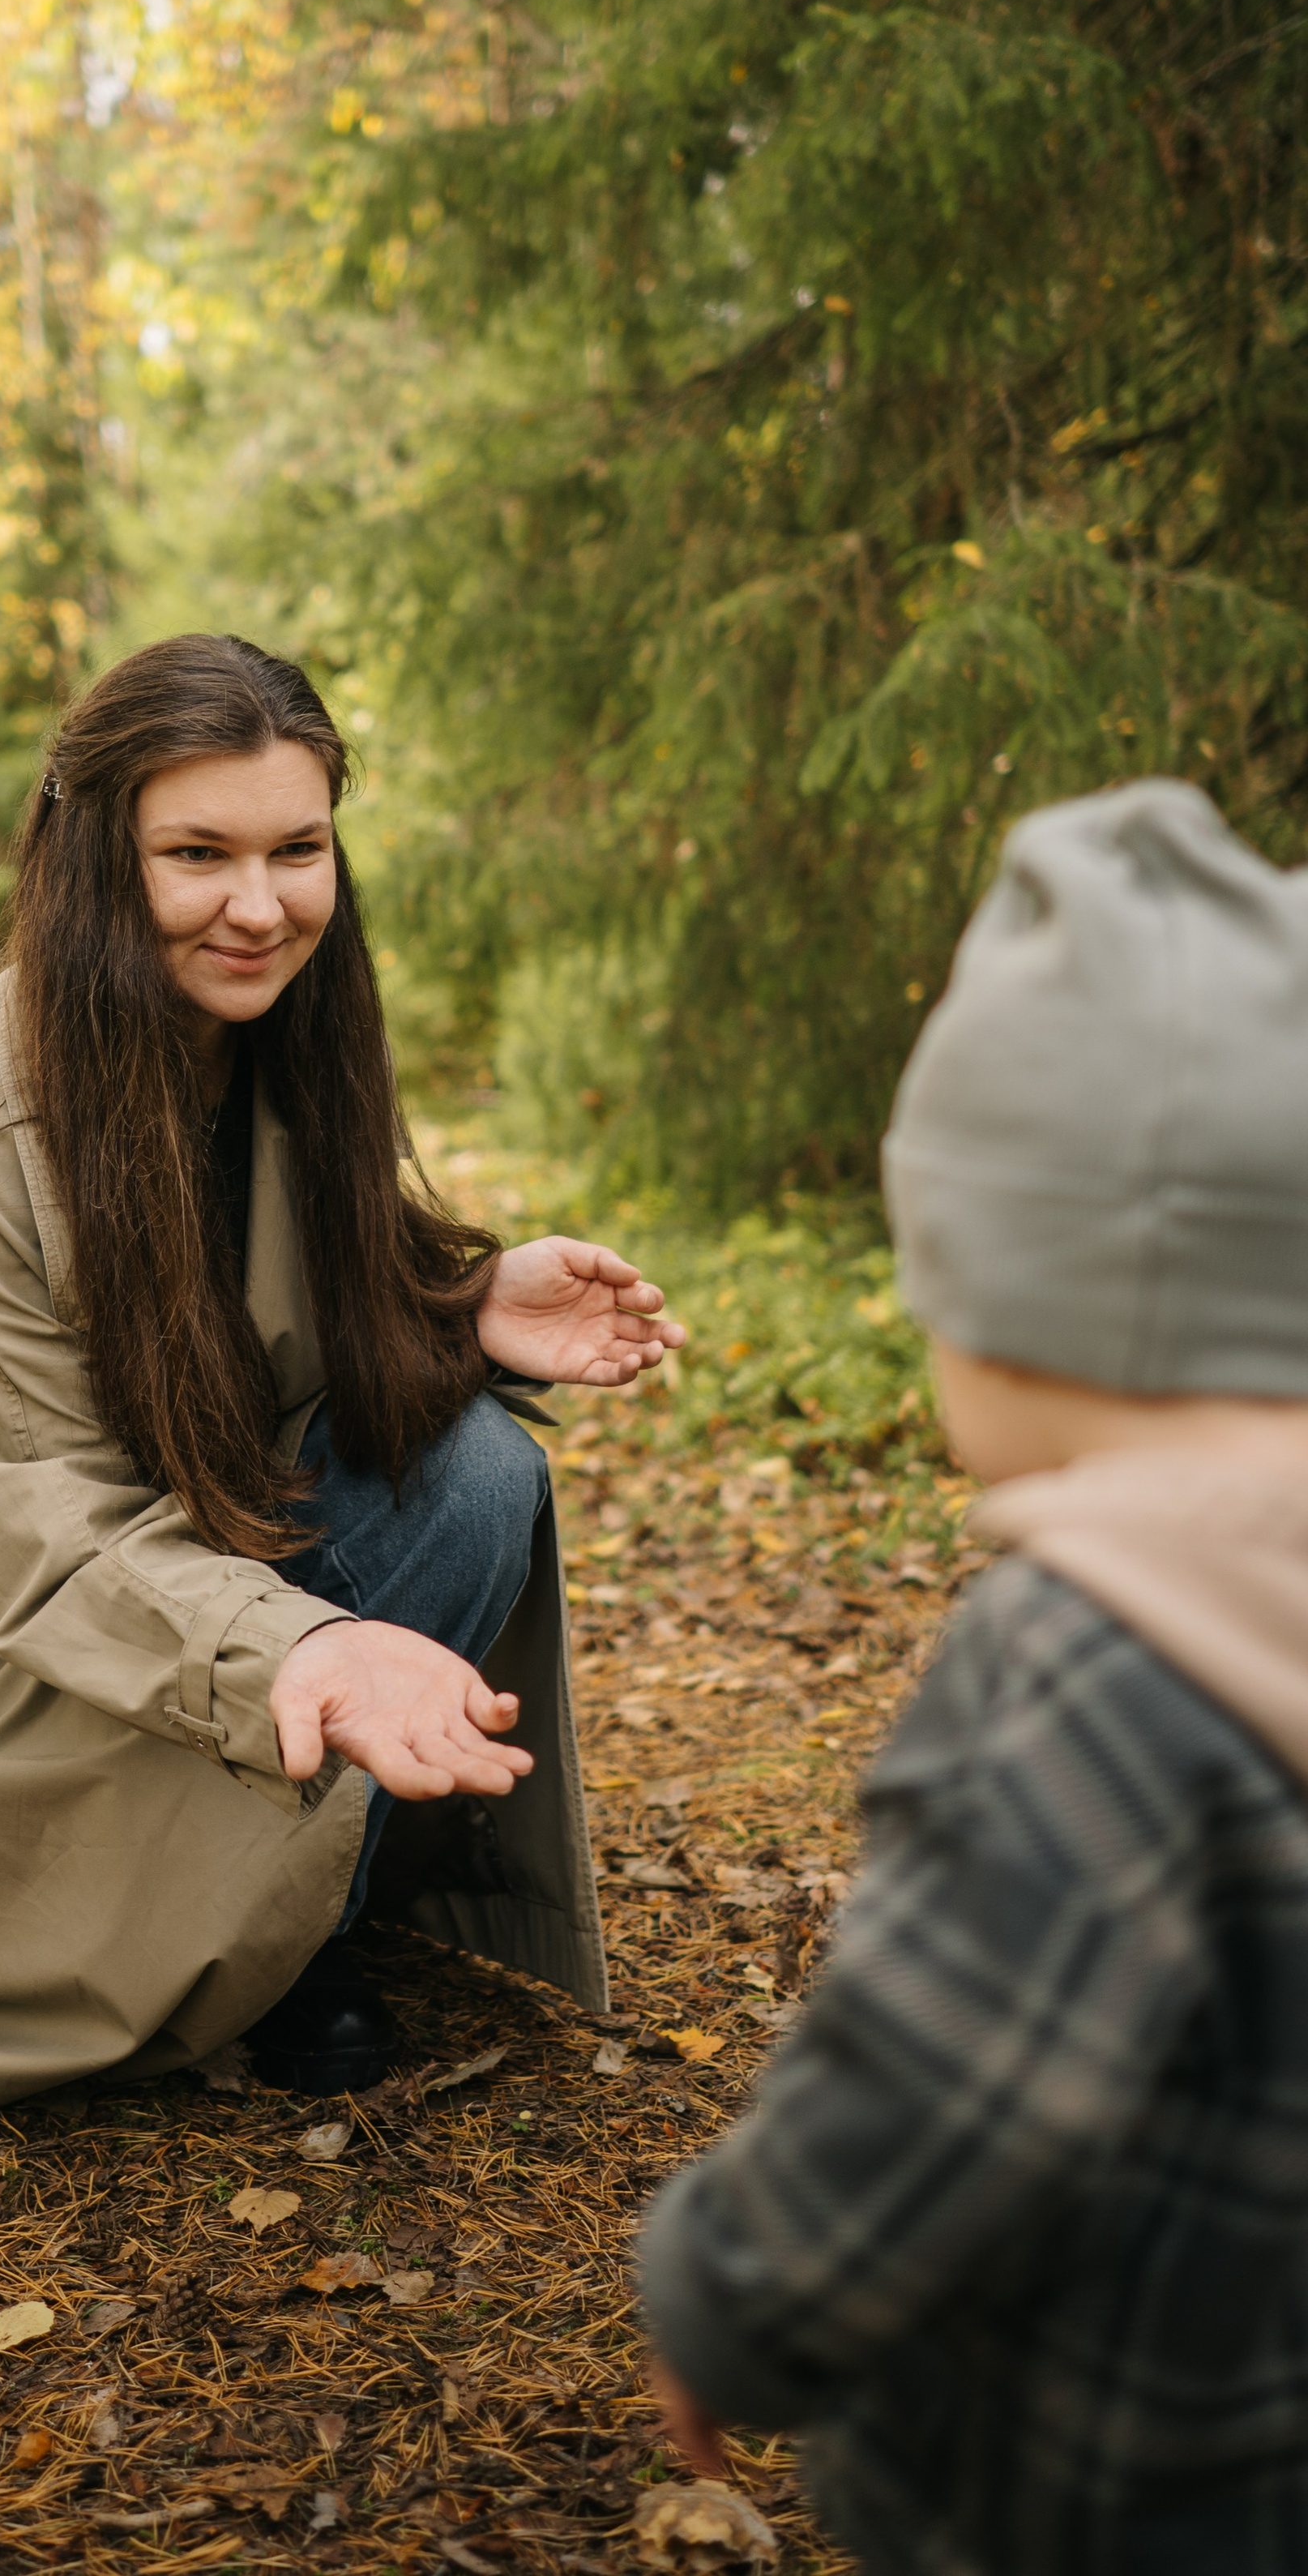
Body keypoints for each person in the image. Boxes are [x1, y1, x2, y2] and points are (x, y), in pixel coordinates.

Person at [0, 634, 682, 2110]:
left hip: (174, 1578)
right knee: (404, 1540)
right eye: (198, 854)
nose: (260, 907)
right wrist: (305, 1652)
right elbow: (48, 1536)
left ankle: (302, 1921)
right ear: (94, 858)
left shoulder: (276, 1030)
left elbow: (250, 1310)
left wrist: (456, 1305)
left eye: (296, 851)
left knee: (476, 1474)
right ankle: (223, 1928)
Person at [639, 778, 1308, 2576]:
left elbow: (945, 2082)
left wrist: (731, 2296)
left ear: (1041, 1312)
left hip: (1097, 2485)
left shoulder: (1090, 1658)